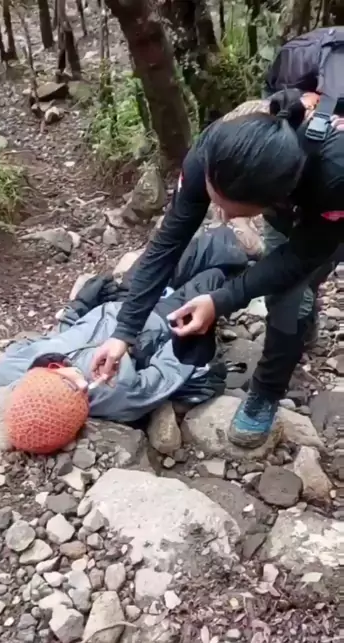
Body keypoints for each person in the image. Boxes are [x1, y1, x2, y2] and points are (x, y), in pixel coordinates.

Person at [91, 30, 344, 448]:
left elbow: (303, 253)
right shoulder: (213, 149)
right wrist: (124, 332)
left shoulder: (334, 175)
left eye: (232, 211)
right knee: (289, 282)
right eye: (215, 202)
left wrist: (223, 299)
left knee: (293, 288)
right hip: (296, 154)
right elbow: (169, 242)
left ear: (276, 200)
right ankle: (302, 311)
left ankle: (266, 392)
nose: (222, 218)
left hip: (328, 194)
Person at [0, 226, 254, 425]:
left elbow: (53, 339)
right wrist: (186, 335)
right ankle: (257, 269)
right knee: (213, 277)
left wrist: (77, 309)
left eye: (68, 386)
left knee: (173, 253)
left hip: (123, 302)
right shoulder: (114, 393)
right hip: (161, 321)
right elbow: (167, 373)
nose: (83, 388)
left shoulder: (9, 369)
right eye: (77, 399)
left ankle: (238, 244)